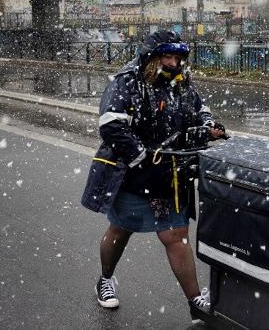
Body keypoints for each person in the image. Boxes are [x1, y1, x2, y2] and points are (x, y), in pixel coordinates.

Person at [81, 30, 226, 318]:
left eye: (177, 57)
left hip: (170, 176)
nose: (173, 63)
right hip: (135, 174)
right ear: (151, 57)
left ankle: (195, 302)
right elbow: (111, 125)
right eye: (167, 56)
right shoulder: (128, 81)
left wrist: (208, 125)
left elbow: (200, 109)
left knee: (176, 234)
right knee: (120, 230)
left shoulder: (182, 82)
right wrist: (140, 155)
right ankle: (105, 279)